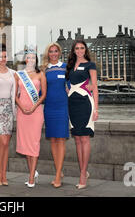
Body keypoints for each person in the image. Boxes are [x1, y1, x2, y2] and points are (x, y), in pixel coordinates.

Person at [66, 40, 99, 190]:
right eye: (77, 48)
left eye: (82, 48)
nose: (79, 50)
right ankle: (83, 172)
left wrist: (96, 109)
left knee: (84, 138)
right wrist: (69, 91)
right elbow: (66, 83)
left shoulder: (90, 65)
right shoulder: (70, 66)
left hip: (85, 103)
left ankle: (82, 174)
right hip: (72, 104)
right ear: (74, 50)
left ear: (85, 50)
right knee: (77, 139)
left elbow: (95, 87)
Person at [15, 49, 46, 188]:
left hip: (36, 112)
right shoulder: (19, 75)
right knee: (26, 143)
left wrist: (34, 107)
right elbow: (15, 95)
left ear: (36, 60)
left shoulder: (41, 74)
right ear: (25, 59)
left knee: (34, 143)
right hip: (22, 112)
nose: (31, 60)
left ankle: (31, 177)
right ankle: (33, 172)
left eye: (33, 57)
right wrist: (21, 107)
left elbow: (43, 95)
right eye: (28, 57)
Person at [42, 43, 69, 188]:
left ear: (59, 52)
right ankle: (59, 170)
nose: (53, 53)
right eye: (51, 51)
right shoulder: (45, 69)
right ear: (48, 53)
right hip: (49, 107)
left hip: (62, 107)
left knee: (61, 140)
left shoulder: (65, 67)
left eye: (56, 51)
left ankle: (58, 175)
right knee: (53, 140)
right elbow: (41, 90)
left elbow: (71, 84)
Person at [0, 44, 16, 186]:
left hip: (8, 109)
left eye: (5, 56)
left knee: (6, 145)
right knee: (3, 142)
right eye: (1, 56)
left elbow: (17, 92)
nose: (3, 59)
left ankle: (3, 174)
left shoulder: (13, 73)